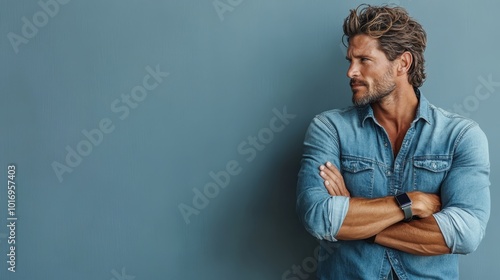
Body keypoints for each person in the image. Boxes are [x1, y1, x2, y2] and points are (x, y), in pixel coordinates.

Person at [296, 4, 490, 280]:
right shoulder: (329, 129)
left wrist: (355, 217)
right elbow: (318, 217)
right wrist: (410, 202)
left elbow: (466, 234)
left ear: (403, 63)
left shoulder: (460, 136)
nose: (350, 72)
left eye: (364, 60)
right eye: (350, 60)